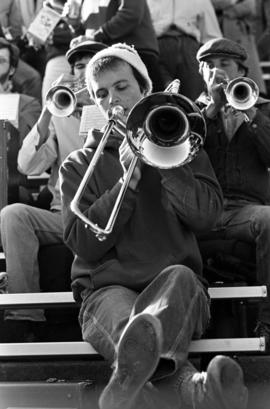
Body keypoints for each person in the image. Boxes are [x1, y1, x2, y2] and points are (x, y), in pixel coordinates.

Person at [59, 42, 248, 409]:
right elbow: (85, 244)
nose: (111, 100)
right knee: (133, 331)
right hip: (106, 289)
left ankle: (128, 390)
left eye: (121, 87)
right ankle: (194, 389)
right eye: (100, 94)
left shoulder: (185, 145)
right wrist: (125, 184)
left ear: (145, 89)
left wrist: (166, 163)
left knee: (178, 276)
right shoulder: (77, 165)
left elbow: (207, 218)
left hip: (178, 284)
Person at [0, 36, 108, 343]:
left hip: (111, 215)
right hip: (65, 216)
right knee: (13, 215)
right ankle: (25, 316)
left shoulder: (122, 110)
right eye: (78, 68)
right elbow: (27, 166)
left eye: (91, 67)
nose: (83, 73)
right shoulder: (60, 114)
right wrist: (49, 112)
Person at [196, 36, 270, 349]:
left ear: (242, 70)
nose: (217, 72)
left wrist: (251, 116)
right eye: (209, 66)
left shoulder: (264, 109)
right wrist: (212, 108)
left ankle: (268, 320)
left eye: (224, 64)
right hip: (203, 210)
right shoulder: (190, 112)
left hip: (246, 211)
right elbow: (183, 153)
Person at [72, 0, 165, 92]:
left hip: (134, 54)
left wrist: (95, 37)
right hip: (101, 59)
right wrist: (74, 25)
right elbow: (88, 30)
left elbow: (131, 14)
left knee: (150, 104)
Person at [146, 0, 222, 100]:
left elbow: (211, 36)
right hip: (156, 47)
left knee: (192, 99)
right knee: (158, 97)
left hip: (190, 49)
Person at [0, 37, 41, 204]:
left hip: (11, 186)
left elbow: (29, 150)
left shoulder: (27, 104)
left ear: (11, 70)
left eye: (1, 61)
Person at [211, 0, 267, 95]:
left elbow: (248, 7)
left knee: (250, 84)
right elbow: (212, 3)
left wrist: (224, 10)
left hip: (242, 43)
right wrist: (231, 2)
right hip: (222, 42)